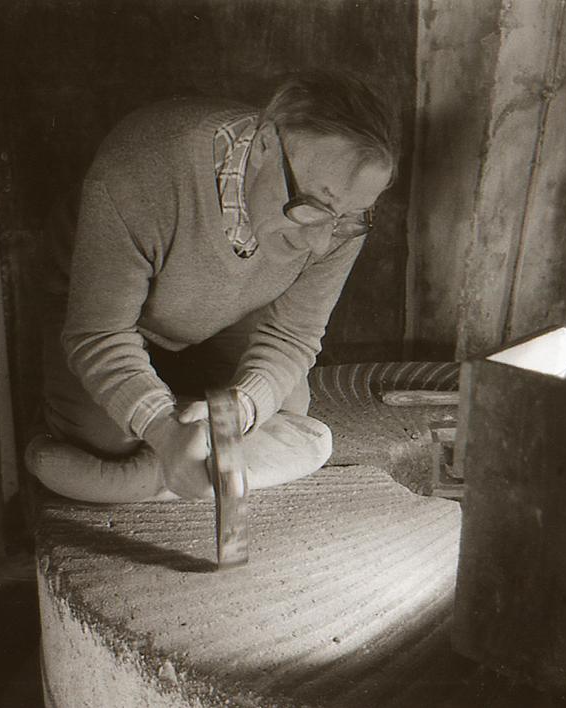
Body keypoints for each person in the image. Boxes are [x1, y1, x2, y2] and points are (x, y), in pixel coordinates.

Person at [25, 71, 398, 503]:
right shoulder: (135, 175)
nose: (319, 243)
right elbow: (100, 334)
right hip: (103, 316)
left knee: (286, 403)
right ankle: (101, 446)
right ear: (263, 146)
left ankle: (142, 474)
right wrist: (165, 433)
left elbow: (293, 335)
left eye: (351, 217)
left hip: (229, 311)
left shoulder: (343, 216)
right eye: (312, 207)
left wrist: (239, 408)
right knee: (104, 439)